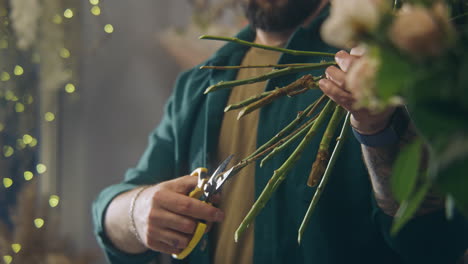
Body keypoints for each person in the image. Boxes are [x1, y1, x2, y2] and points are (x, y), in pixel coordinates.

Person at [92, 0, 468, 263]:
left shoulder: (376, 67)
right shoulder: (200, 83)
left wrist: (374, 130)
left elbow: (433, 245)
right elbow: (110, 214)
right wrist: (137, 211)